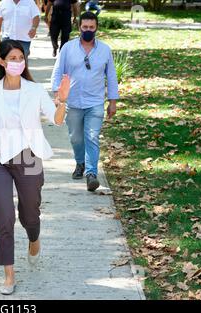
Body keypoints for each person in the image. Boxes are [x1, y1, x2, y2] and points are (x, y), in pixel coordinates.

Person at [0, 39, 70, 295]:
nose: (17, 62)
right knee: (4, 219)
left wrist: (62, 102)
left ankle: (34, 239)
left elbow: (56, 121)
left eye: (20, 58)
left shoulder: (34, 90)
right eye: (12, 58)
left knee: (30, 214)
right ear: (1, 61)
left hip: (29, 158)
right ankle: (8, 275)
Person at [51, 11, 119, 192]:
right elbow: (58, 71)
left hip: (95, 101)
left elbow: (111, 76)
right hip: (72, 102)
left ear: (96, 28)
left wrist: (112, 101)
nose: (88, 30)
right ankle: (80, 163)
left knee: (92, 136)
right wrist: (57, 94)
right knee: (76, 138)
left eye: (91, 27)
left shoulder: (105, 50)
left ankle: (91, 174)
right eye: (85, 27)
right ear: (79, 27)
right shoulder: (68, 48)